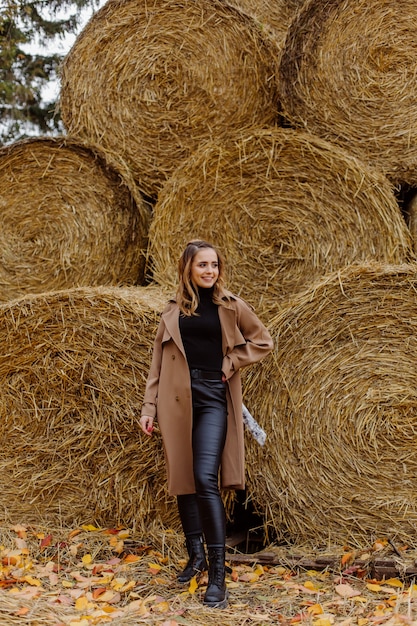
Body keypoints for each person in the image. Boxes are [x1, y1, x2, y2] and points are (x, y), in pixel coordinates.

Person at [139, 240, 273, 609]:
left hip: (214, 397)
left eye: (214, 264)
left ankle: (217, 574)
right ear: (188, 269)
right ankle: (194, 556)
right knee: (184, 479)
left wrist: (230, 365)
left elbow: (262, 341)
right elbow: (157, 365)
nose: (210, 271)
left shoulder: (231, 306)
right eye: (202, 265)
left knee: (203, 477)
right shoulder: (171, 312)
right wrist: (149, 407)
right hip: (176, 400)